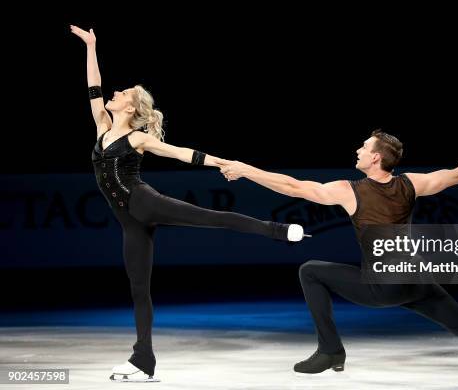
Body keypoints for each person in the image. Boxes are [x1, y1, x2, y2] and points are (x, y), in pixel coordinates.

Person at [219, 129, 458, 378]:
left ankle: (331, 350)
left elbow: (293, 186)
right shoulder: (412, 183)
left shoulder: (351, 191)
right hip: (417, 282)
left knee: (311, 270)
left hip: (385, 287)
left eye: (363, 147)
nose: (358, 150)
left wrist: (247, 169)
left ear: (375, 158)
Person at [70, 25, 305, 382]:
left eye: (123, 92)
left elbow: (182, 153)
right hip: (129, 222)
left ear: (130, 107)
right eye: (116, 91)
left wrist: (223, 163)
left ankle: (279, 229)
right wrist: (91, 46)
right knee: (139, 289)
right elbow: (94, 86)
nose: (114, 93)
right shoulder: (102, 126)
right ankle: (143, 358)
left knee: (212, 218)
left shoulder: (137, 138)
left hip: (145, 203)